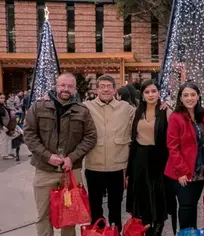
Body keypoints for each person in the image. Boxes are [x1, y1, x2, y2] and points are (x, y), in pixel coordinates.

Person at [23, 72, 97, 236]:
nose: (66, 89)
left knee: (70, 216)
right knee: (43, 215)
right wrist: (47, 156)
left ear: (75, 89)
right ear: (56, 86)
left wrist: (72, 157)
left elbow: (91, 137)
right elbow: (29, 134)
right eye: (62, 85)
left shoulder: (82, 111)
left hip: (71, 172)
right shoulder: (38, 107)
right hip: (44, 170)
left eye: (70, 86)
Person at [83, 75, 136, 234]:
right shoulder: (86, 107)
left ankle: (115, 232)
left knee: (115, 206)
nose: (105, 89)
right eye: (102, 86)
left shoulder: (126, 108)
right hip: (94, 165)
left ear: (114, 89)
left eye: (109, 86)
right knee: (95, 206)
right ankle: (97, 233)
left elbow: (145, 115)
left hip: (117, 166)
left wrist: (163, 106)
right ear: (96, 89)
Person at [126, 79, 172, 236]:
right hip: (139, 157)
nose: (151, 95)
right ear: (142, 95)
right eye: (147, 92)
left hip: (159, 157)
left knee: (158, 193)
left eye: (154, 91)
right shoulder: (137, 112)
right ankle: (144, 224)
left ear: (159, 93)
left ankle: (158, 226)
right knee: (142, 193)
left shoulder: (166, 111)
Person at [164, 82, 204, 230]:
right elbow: (172, 146)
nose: (189, 98)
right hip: (182, 171)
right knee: (185, 206)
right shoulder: (175, 117)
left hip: (199, 170)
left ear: (198, 96)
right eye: (186, 95)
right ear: (180, 98)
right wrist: (181, 171)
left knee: (192, 206)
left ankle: (192, 232)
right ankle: (185, 232)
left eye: (193, 94)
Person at [0, 93, 13, 160]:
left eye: (4, 98)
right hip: (3, 126)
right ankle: (4, 155)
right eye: (1, 98)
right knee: (4, 140)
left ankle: (8, 152)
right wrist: (2, 126)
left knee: (7, 139)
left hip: (7, 125)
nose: (3, 99)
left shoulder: (3, 105)